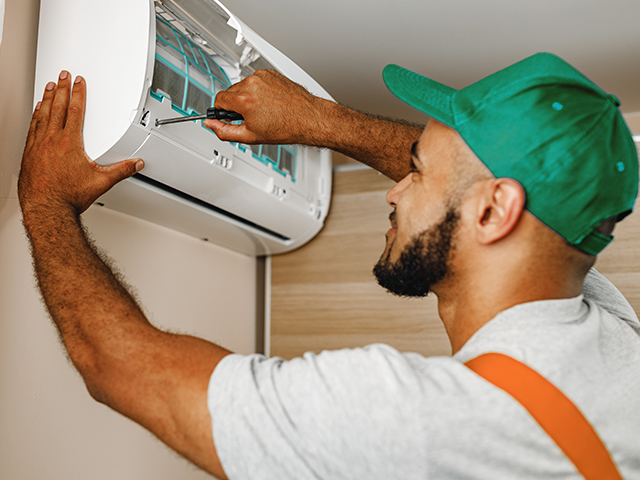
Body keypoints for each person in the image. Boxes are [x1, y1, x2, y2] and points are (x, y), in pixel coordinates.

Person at [18, 52, 639, 479]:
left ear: (496, 212)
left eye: (416, 170)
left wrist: (46, 203)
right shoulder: (607, 330)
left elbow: (116, 365)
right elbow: (469, 187)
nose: (396, 190)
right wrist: (322, 120)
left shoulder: (425, 424)